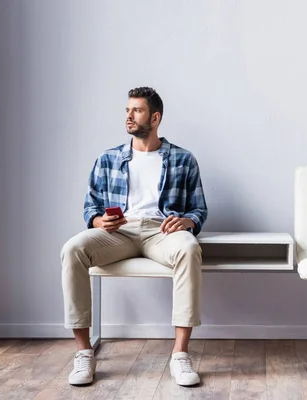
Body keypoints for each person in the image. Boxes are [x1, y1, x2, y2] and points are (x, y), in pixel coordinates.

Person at [60, 87, 207, 386]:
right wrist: (101, 220)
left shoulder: (183, 159)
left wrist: (186, 221)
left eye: (136, 110)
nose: (129, 115)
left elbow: (198, 209)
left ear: (155, 118)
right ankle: (84, 353)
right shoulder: (108, 158)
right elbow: (90, 205)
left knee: (189, 249)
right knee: (73, 248)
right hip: (119, 232)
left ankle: (180, 355)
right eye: (127, 110)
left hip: (161, 230)